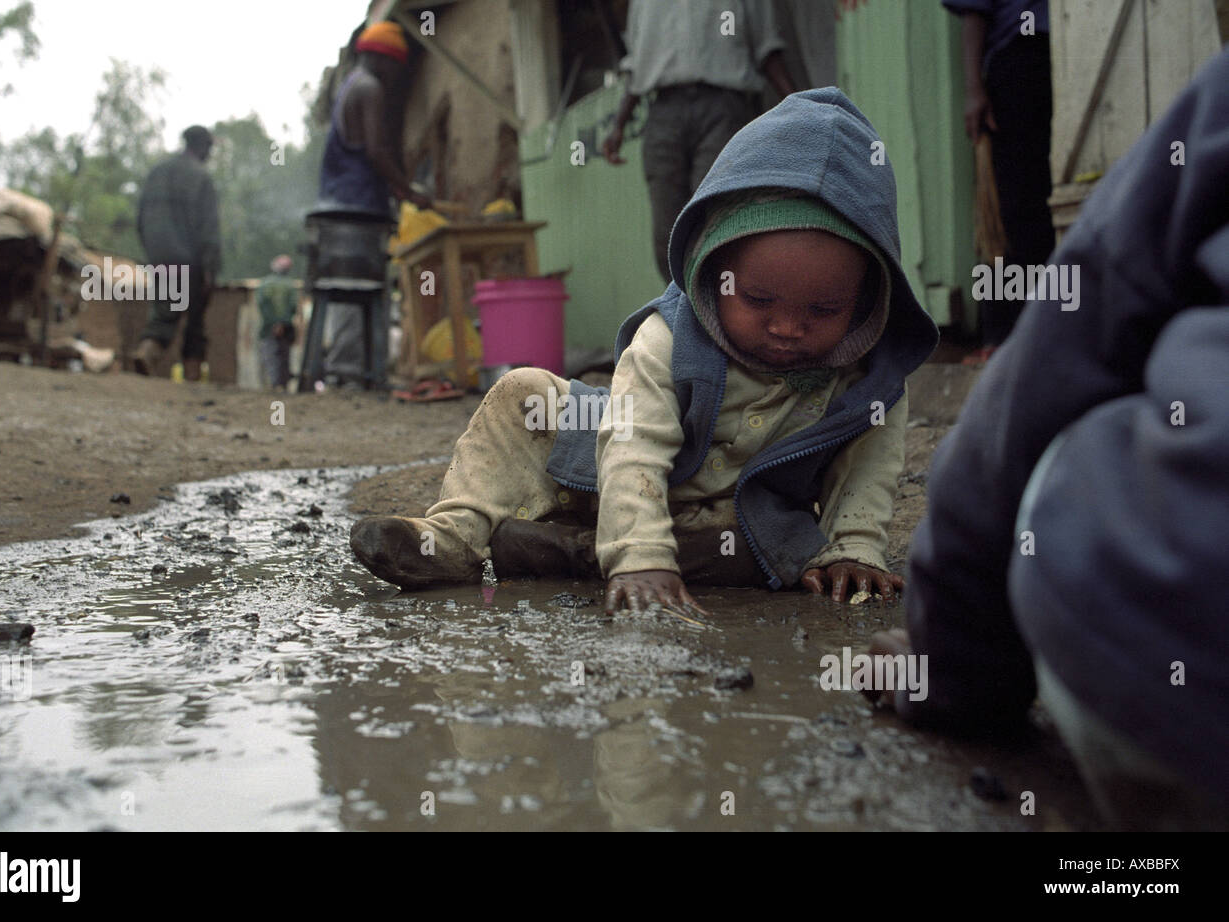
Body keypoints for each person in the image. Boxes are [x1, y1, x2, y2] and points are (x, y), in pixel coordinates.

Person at [351, 88, 939, 615]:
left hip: (733, 524)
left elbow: (868, 471)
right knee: (522, 392)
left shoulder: (868, 379)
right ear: (713, 269)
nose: (788, 327)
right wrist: (640, 557)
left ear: (866, 302)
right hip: (607, 476)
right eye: (759, 299)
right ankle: (456, 536)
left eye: (823, 311)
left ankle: (561, 553)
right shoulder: (669, 339)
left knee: (772, 556)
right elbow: (632, 444)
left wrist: (854, 549)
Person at [871, 50, 1229, 830]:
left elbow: (1028, 400)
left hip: (1179, 646)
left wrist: (949, 672)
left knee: (1077, 419)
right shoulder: (665, 358)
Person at [601, 0, 796, 283]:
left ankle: (719, 312)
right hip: (663, 113)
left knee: (715, 217)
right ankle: (683, 312)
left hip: (724, 108)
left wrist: (801, 106)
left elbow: (767, 51)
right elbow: (637, 63)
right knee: (668, 231)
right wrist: (618, 125)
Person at [314, 21, 429, 390]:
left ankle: (349, 371)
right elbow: (377, 152)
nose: (397, 76)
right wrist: (408, 191)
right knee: (357, 287)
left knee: (346, 288)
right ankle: (351, 374)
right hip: (357, 207)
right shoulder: (370, 88)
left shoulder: (350, 85)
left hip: (340, 204)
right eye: (396, 67)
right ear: (384, 60)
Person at [944, 0, 1054, 362]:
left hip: (1042, 58)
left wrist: (975, 89)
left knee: (1026, 207)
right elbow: (976, 11)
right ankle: (1006, 336)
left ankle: (1022, 335)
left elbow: (975, 12)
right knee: (1010, 211)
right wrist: (975, 89)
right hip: (1021, 60)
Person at [132, 125, 221, 381]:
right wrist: (210, 269)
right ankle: (191, 377)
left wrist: (153, 252)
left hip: (160, 256)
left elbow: (140, 219)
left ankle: (147, 351)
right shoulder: (201, 177)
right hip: (191, 260)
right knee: (195, 321)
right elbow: (209, 229)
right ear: (203, 147)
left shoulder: (157, 172)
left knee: (164, 311)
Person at [257, 255, 298, 390]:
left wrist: (274, 323)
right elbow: (292, 307)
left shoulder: (265, 284)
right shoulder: (290, 285)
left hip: (269, 327)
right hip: (285, 328)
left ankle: (275, 385)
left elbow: (263, 305)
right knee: (283, 357)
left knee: (271, 357)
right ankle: (281, 385)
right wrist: (281, 323)